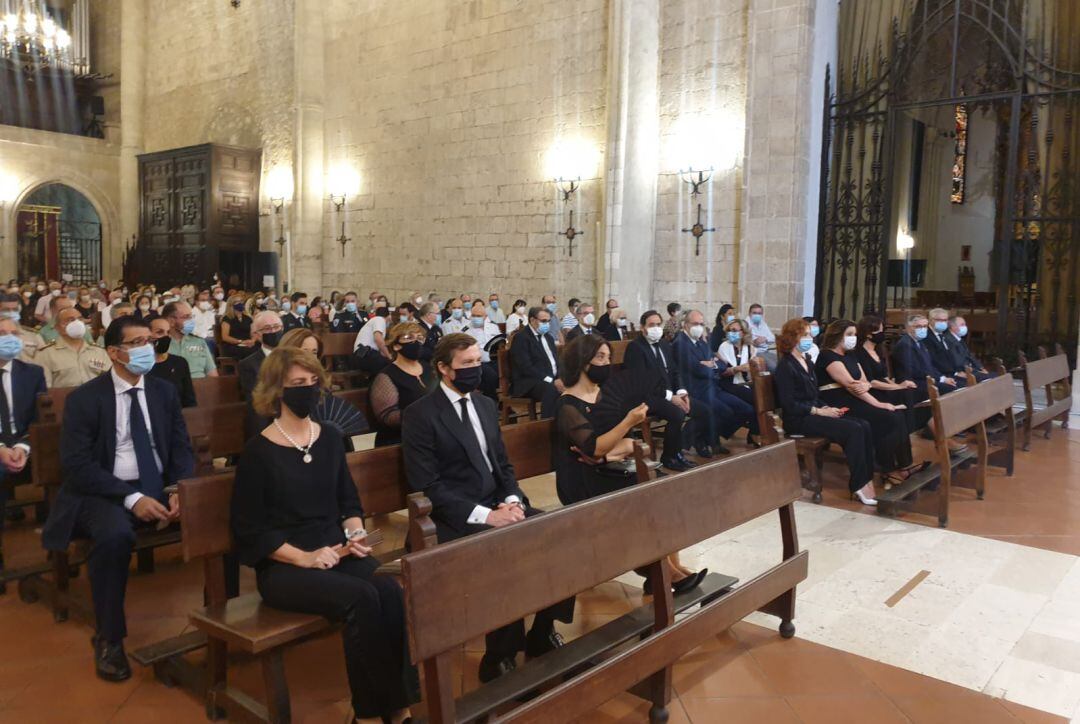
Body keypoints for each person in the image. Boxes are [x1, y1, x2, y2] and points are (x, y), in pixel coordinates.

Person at [231, 347, 416, 724]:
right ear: (276, 390)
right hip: (285, 566)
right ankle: (368, 714)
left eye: (313, 382)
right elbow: (250, 530)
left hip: (337, 551)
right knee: (362, 598)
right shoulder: (258, 452)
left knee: (389, 592)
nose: (308, 390)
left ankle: (400, 707)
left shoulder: (330, 437)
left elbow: (348, 501)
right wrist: (305, 558)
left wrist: (355, 534)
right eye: (298, 384)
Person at [401, 334, 574, 683]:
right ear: (444, 369)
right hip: (449, 516)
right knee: (506, 549)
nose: (476, 369)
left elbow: (503, 466)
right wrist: (489, 516)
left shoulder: (482, 404)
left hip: (496, 504)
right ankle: (499, 656)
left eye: (477, 360)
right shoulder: (420, 414)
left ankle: (541, 631)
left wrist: (511, 500)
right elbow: (429, 487)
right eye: (466, 364)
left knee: (560, 534)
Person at [41, 316, 192, 682]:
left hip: (157, 485)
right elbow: (77, 466)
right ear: (113, 352)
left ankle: (225, 622)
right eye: (137, 342)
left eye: (150, 341)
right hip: (104, 490)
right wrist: (131, 498)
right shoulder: (85, 399)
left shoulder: (162, 391)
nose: (148, 348)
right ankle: (109, 637)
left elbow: (180, 449)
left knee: (220, 509)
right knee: (114, 537)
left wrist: (180, 491)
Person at [772, 318, 877, 505]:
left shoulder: (807, 361)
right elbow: (788, 404)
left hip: (812, 412)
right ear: (792, 337)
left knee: (863, 424)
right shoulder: (785, 366)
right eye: (805, 334)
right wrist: (819, 412)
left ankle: (867, 478)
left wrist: (826, 407)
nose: (810, 337)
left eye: (810, 334)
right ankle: (859, 484)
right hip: (798, 420)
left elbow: (814, 394)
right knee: (852, 430)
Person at [815, 320, 915, 483]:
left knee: (897, 415)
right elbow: (851, 385)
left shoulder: (851, 355)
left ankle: (904, 465)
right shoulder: (827, 355)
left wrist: (865, 385)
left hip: (855, 397)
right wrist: (878, 403)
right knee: (888, 417)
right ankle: (887, 468)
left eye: (854, 334)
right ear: (837, 336)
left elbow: (864, 380)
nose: (853, 338)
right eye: (849, 335)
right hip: (838, 401)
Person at [672, 310, 756, 456]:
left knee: (745, 409)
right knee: (723, 411)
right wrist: (710, 366)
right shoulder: (680, 343)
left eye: (701, 324)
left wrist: (710, 365)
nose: (699, 327)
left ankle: (706, 437)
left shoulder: (700, 342)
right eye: (695, 324)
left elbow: (721, 365)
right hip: (695, 390)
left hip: (712, 386)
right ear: (685, 325)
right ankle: (703, 440)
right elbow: (697, 369)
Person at [623, 311, 696, 471]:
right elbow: (642, 381)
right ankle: (669, 456)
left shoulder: (663, 344)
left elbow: (675, 371)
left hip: (664, 393)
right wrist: (671, 397)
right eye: (651, 325)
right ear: (642, 328)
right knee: (677, 413)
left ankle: (677, 452)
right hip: (643, 396)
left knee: (697, 408)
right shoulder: (635, 347)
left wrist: (682, 392)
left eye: (658, 324)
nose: (656, 328)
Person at [0, 317, 47, 548]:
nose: (9, 339)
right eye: (2, 333)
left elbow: (38, 417)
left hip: (25, 443)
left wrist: (23, 446)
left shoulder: (32, 373)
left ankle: (59, 541)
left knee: (65, 463)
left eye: (14, 334)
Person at [369, 323, 430, 447]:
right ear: (396, 345)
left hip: (430, 433)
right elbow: (387, 416)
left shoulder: (429, 368)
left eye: (419, 338)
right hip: (401, 439)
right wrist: (424, 414)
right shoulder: (386, 376)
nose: (416, 342)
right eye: (409, 338)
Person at [36, 305, 113, 387]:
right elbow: (45, 388)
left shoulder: (99, 352)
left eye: (80, 319)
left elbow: (110, 381)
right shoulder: (46, 354)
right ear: (57, 328)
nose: (77, 323)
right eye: (70, 320)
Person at [509, 306, 562, 418]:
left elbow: (556, 361)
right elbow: (526, 367)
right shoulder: (521, 338)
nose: (547, 324)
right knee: (551, 389)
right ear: (532, 320)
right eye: (543, 321)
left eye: (548, 321)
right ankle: (547, 426)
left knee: (572, 385)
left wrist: (560, 378)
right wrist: (551, 380)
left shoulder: (548, 337)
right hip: (529, 382)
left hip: (549, 378)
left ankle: (565, 423)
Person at [891, 314, 961, 396]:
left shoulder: (920, 342)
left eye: (925, 326)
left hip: (924, 379)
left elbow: (929, 365)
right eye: (918, 326)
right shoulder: (905, 344)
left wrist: (943, 378)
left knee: (957, 384)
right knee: (950, 388)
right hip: (912, 383)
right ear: (909, 328)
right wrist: (939, 379)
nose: (923, 329)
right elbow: (914, 370)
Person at [148, 317, 196, 408]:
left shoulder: (180, 363)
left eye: (168, 332)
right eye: (160, 332)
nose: (166, 336)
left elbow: (189, 400)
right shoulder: (142, 366)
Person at [162, 301, 218, 379]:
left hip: (200, 386)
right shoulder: (161, 345)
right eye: (186, 317)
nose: (191, 321)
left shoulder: (199, 342)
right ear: (171, 321)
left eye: (191, 316)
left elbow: (212, 374)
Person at [715, 318, 758, 411]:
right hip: (729, 383)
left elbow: (753, 371)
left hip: (746, 382)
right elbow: (721, 372)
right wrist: (738, 368)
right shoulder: (724, 346)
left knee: (765, 396)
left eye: (734, 330)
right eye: (729, 331)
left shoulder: (750, 348)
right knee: (755, 400)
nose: (730, 333)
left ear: (743, 332)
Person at [464, 301, 501, 399]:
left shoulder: (493, 327)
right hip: (477, 362)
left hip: (494, 360)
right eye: (474, 315)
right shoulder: (466, 331)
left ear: (485, 316)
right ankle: (493, 400)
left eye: (479, 316)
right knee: (491, 376)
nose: (476, 318)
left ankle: (504, 400)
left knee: (507, 372)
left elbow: (499, 342)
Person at [924, 307, 969, 385]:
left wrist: (957, 371)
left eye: (945, 320)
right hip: (939, 374)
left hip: (950, 372)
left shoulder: (944, 334)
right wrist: (954, 373)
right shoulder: (927, 337)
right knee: (965, 385)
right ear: (930, 320)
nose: (943, 322)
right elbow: (935, 360)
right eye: (939, 320)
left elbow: (950, 357)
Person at [0, 293, 45, 361]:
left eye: (15, 310)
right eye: (6, 310)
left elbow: (44, 360)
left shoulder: (33, 335)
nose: (11, 313)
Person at [947, 315, 991, 380]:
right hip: (963, 372)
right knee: (990, 378)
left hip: (970, 369)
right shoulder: (948, 340)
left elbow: (970, 355)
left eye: (965, 324)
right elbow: (958, 361)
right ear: (953, 327)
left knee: (995, 376)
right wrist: (975, 371)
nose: (965, 327)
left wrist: (981, 368)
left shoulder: (959, 339)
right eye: (962, 325)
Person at [353, 305, 392, 374]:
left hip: (362, 355)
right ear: (389, 316)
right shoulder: (379, 319)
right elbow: (378, 339)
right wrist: (388, 355)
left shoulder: (374, 320)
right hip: (365, 354)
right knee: (391, 365)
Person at [220, 296, 255, 360]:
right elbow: (225, 337)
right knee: (249, 351)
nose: (240, 303)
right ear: (231, 305)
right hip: (232, 345)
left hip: (247, 344)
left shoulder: (248, 318)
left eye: (241, 301)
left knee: (259, 348)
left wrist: (252, 340)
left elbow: (253, 333)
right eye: (237, 302)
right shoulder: (227, 318)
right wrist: (240, 342)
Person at [747, 303, 777, 370]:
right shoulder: (746, 324)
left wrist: (765, 339)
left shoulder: (762, 323)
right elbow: (756, 342)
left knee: (783, 362)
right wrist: (760, 341)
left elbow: (773, 338)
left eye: (759, 313)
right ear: (749, 314)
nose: (757, 315)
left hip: (766, 351)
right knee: (774, 366)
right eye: (754, 313)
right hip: (755, 353)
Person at [191, 289, 219, 357]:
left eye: (207, 301)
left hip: (212, 337)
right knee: (207, 341)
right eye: (203, 300)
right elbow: (191, 330)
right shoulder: (190, 314)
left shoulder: (211, 313)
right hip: (197, 338)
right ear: (196, 302)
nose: (206, 302)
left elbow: (213, 327)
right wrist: (204, 335)